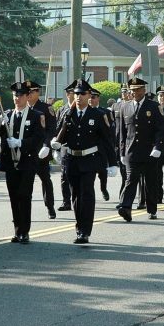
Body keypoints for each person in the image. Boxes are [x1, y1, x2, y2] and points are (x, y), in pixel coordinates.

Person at [50, 79, 117, 244]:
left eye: (82, 94)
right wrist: (55, 147)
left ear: (89, 96)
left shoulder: (97, 115)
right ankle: (79, 226)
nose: (78, 97)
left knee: (86, 195)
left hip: (90, 160)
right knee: (75, 196)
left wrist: (113, 162)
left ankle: (85, 231)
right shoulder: (68, 114)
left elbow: (107, 140)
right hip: (71, 160)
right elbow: (59, 133)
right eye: (76, 94)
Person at [0, 81, 49, 244]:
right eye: (15, 95)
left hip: (27, 162)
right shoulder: (8, 115)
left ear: (27, 96)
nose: (17, 98)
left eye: (20, 95)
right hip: (11, 163)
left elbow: (38, 137)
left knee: (24, 196)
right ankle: (17, 230)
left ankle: (24, 231)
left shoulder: (36, 115)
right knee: (14, 197)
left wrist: (21, 143)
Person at [116, 77, 164, 221]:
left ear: (144, 90)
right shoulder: (125, 106)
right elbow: (122, 132)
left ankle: (152, 209)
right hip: (132, 151)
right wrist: (121, 152)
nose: (135, 93)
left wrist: (158, 147)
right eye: (133, 90)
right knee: (131, 179)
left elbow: (161, 129)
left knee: (150, 182)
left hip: (150, 151)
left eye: (138, 90)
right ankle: (125, 208)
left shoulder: (154, 106)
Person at [27, 81, 58, 218]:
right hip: (26, 152)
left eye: (31, 92)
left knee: (45, 179)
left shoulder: (46, 108)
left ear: (37, 92)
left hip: (41, 151)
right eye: (26, 92)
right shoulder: (23, 108)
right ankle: (23, 210)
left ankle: (50, 206)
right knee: (25, 183)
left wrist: (47, 145)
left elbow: (52, 129)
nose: (28, 95)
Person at [88, 87, 114, 202]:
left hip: (102, 149)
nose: (90, 99)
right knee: (89, 176)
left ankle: (103, 188)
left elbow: (111, 133)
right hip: (89, 149)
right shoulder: (84, 112)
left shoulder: (106, 113)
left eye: (93, 97)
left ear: (98, 98)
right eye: (89, 97)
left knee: (102, 172)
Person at [55, 82, 76, 211]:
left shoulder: (80, 109)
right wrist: (56, 149)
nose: (72, 95)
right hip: (64, 148)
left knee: (76, 175)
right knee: (64, 175)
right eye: (70, 93)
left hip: (78, 147)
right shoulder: (62, 110)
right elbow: (57, 129)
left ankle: (76, 198)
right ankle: (66, 201)